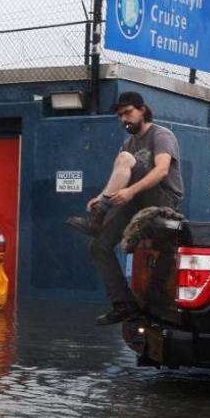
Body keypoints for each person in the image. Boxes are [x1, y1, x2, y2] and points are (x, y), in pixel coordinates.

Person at [67, 91, 185, 325]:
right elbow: (120, 175)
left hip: (162, 197)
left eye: (128, 113)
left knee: (125, 158)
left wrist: (129, 191)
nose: (124, 119)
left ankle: (100, 214)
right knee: (99, 246)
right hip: (135, 200)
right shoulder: (128, 143)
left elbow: (161, 170)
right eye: (120, 116)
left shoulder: (161, 135)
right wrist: (101, 196)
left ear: (142, 110)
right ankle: (123, 304)